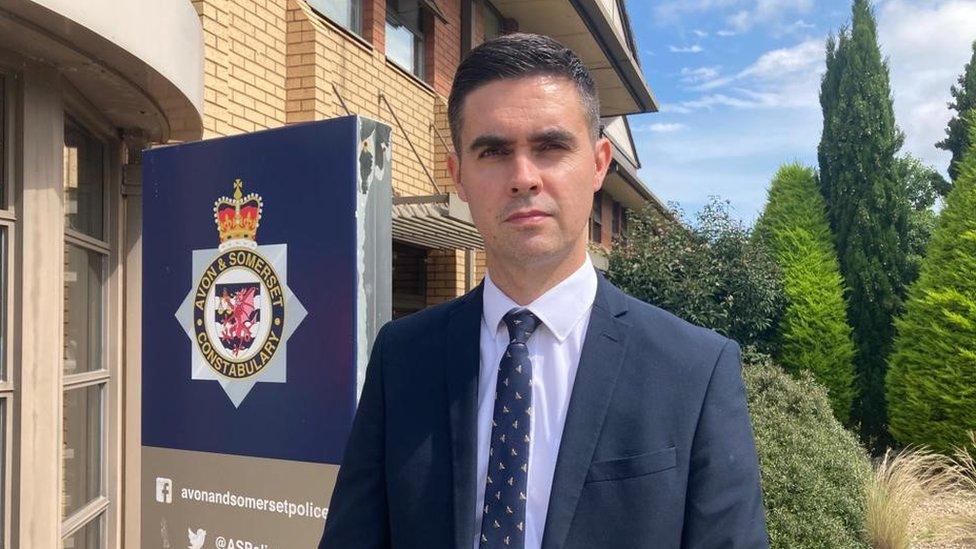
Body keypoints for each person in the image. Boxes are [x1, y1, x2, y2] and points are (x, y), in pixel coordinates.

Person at [319, 33, 768, 549]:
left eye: (550, 146)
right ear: (458, 175)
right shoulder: (402, 357)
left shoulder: (693, 370)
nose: (523, 177)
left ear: (600, 163)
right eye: (493, 151)